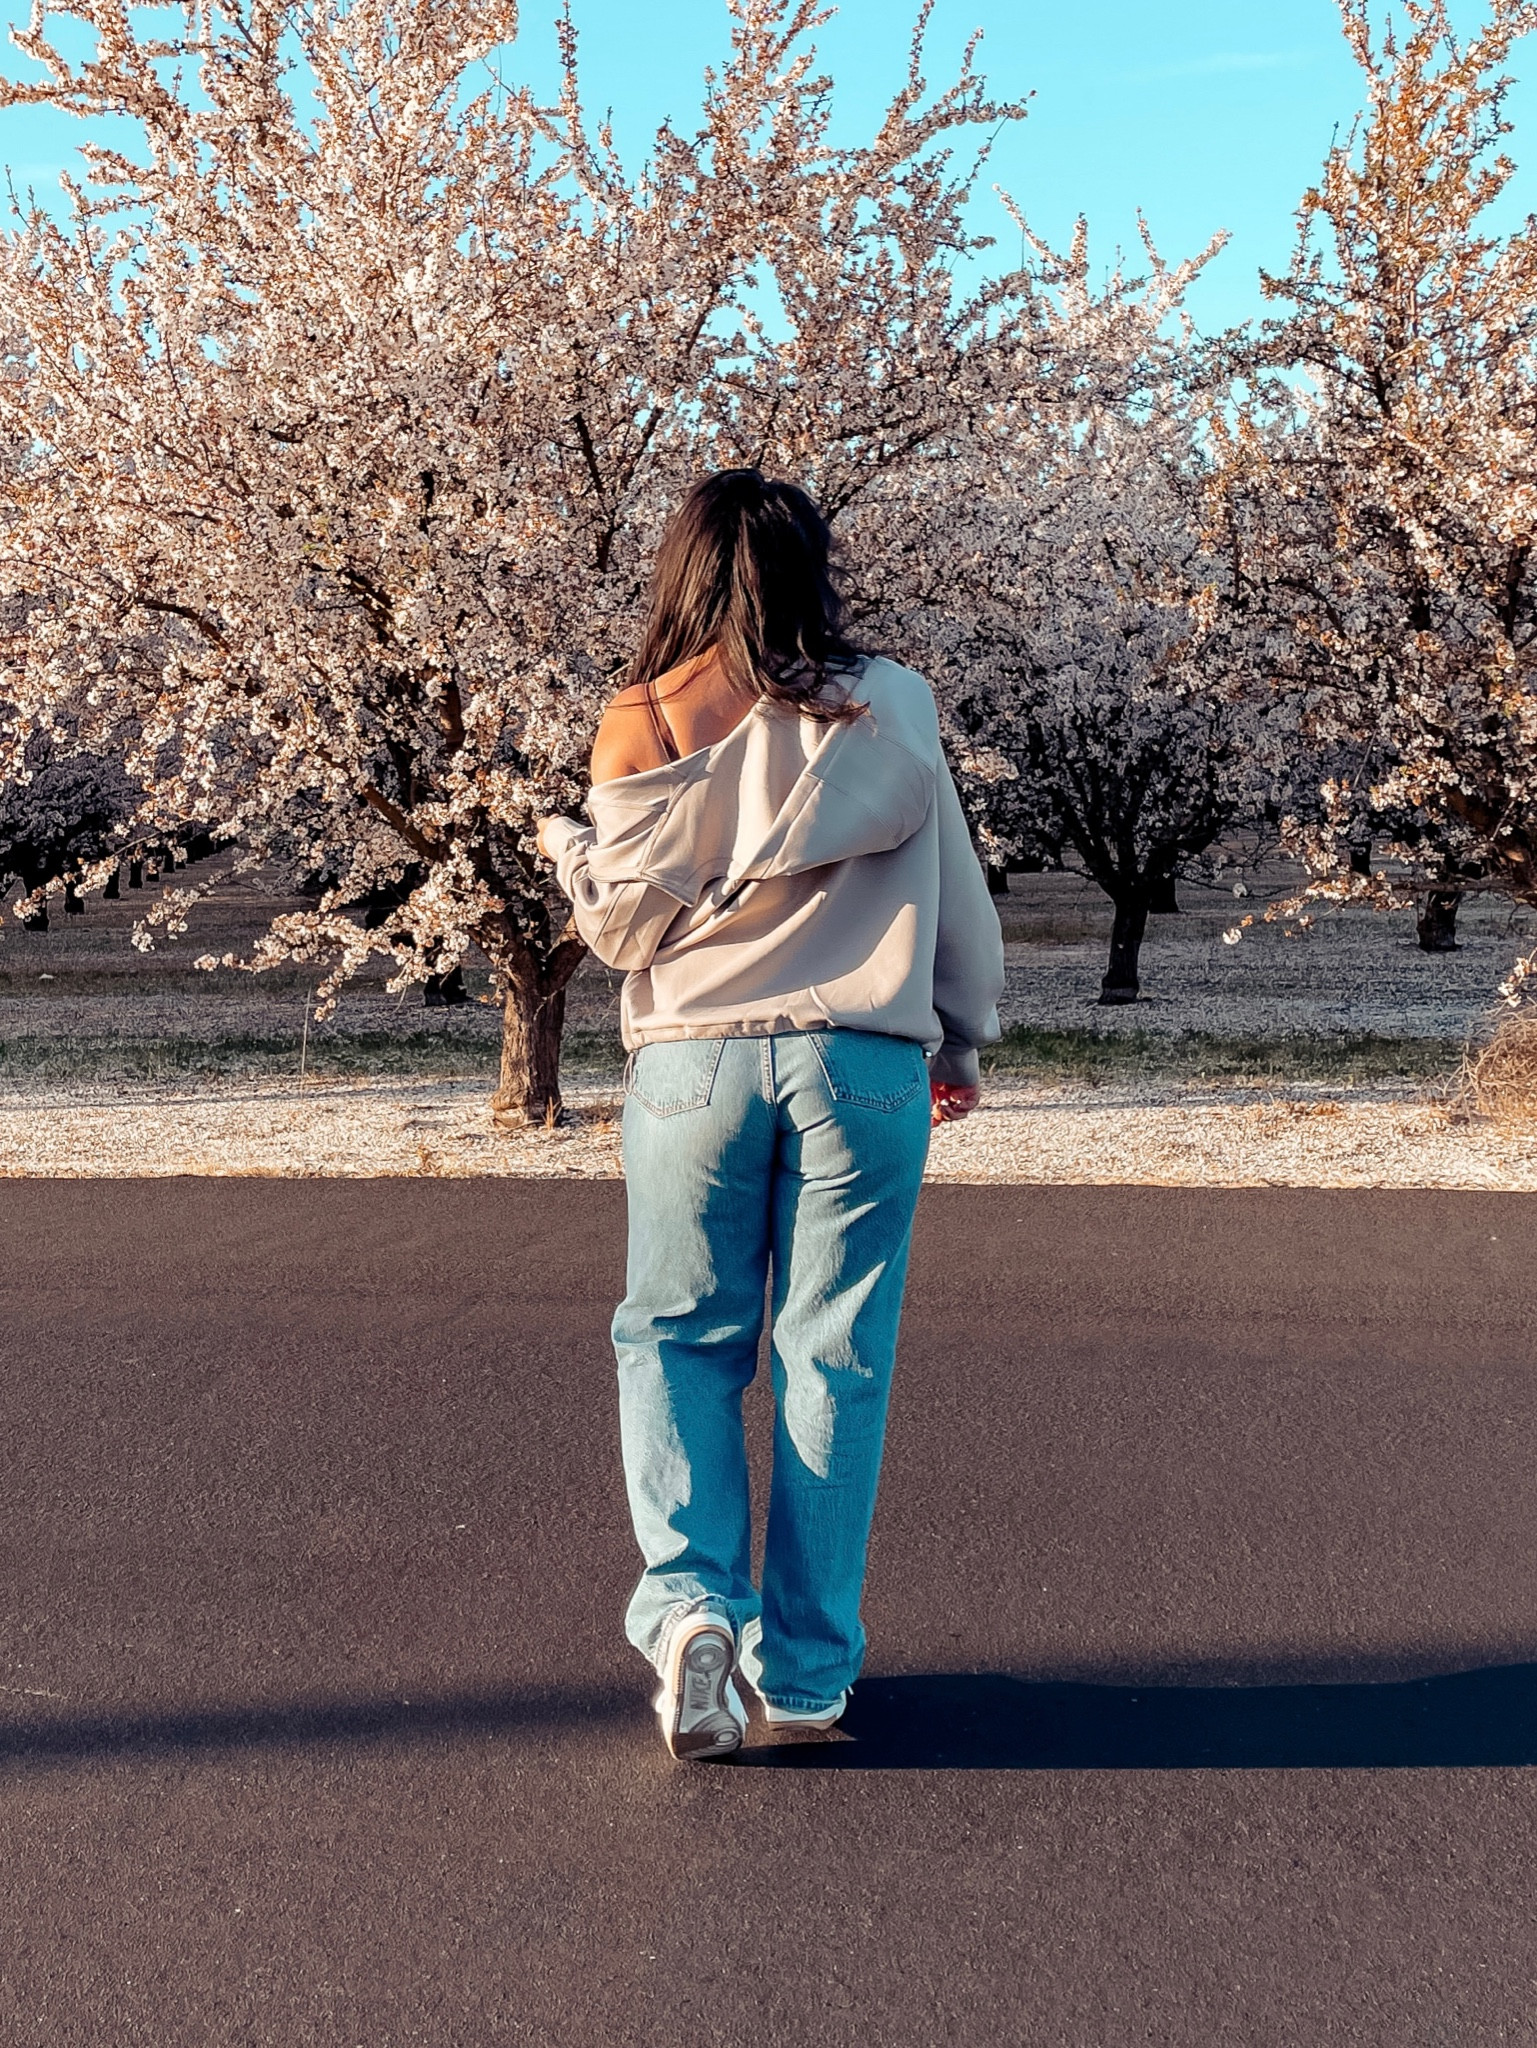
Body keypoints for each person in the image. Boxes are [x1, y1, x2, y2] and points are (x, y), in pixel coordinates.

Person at [537, 469, 1004, 1761]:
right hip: (862, 1060)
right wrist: (960, 1032)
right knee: (833, 1356)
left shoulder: (639, 716)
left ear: (681, 571)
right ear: (812, 568)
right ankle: (803, 1673)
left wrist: (571, 852)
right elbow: (957, 886)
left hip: (693, 1065)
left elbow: (623, 926)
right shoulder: (891, 700)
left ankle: (692, 1609)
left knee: (677, 1338)